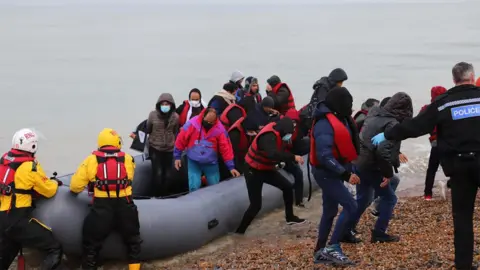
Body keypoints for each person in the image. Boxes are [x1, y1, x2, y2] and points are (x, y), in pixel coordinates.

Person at [371, 62, 480, 270]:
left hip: (459, 166)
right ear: (473, 77)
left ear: (454, 80)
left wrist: (387, 134)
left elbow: (415, 126)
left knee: (463, 218)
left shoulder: (443, 103)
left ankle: (464, 266)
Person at [344, 92, 413, 247]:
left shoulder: (373, 115)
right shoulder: (392, 124)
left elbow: (379, 145)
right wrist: (387, 173)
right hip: (371, 166)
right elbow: (382, 151)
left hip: (359, 161)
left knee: (363, 198)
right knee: (390, 198)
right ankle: (379, 233)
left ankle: (347, 229)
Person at [70, 128, 141, 270]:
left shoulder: (91, 160)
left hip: (102, 207)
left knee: (91, 244)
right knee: (133, 242)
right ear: (117, 142)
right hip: (125, 205)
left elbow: (75, 186)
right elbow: (130, 178)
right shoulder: (127, 158)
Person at [310, 87, 359, 266]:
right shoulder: (324, 124)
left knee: (330, 211)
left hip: (335, 172)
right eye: (348, 103)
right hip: (326, 173)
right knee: (351, 205)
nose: (351, 107)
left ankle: (320, 251)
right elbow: (324, 156)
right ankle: (332, 247)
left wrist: (351, 169)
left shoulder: (341, 118)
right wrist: (346, 174)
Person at [0, 128, 63, 269]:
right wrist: (54, 182)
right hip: (17, 220)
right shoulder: (30, 166)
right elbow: (49, 190)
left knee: (6, 256)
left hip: (2, 220)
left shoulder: (4, 161)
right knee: (54, 248)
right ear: (33, 146)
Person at [236, 117, 306, 234]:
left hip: (266, 169)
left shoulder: (278, 131)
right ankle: (239, 232)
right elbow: (272, 154)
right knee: (256, 205)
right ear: (283, 131)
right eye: (288, 134)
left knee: (288, 187)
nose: (289, 136)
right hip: (253, 171)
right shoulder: (268, 137)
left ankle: (290, 217)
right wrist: (293, 157)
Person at [174, 108, 240, 192]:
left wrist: (231, 167)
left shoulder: (220, 130)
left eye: (211, 122)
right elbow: (181, 139)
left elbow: (226, 148)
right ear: (203, 116)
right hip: (194, 161)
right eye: (207, 121)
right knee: (194, 185)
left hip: (210, 162)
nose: (208, 124)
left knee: (215, 185)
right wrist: (177, 156)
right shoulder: (192, 124)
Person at [146, 93, 179, 197]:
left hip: (169, 149)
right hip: (155, 148)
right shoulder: (152, 115)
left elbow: (175, 131)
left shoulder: (175, 117)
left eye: (167, 104)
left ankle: (165, 195)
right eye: (163, 104)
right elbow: (148, 128)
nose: (165, 106)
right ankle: (156, 195)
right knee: (158, 173)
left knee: (168, 174)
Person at [421, 86, 447, 200]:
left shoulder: (427, 108)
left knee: (432, 168)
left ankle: (427, 194)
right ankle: (449, 185)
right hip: (450, 141)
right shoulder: (448, 106)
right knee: (453, 167)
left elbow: (419, 122)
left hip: (435, 141)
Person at [284, 108, 306, 207]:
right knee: (298, 173)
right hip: (282, 156)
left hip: (290, 155)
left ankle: (299, 200)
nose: (293, 124)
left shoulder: (297, 131)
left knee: (299, 173)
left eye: (295, 122)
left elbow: (296, 145)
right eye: (292, 121)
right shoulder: (282, 130)